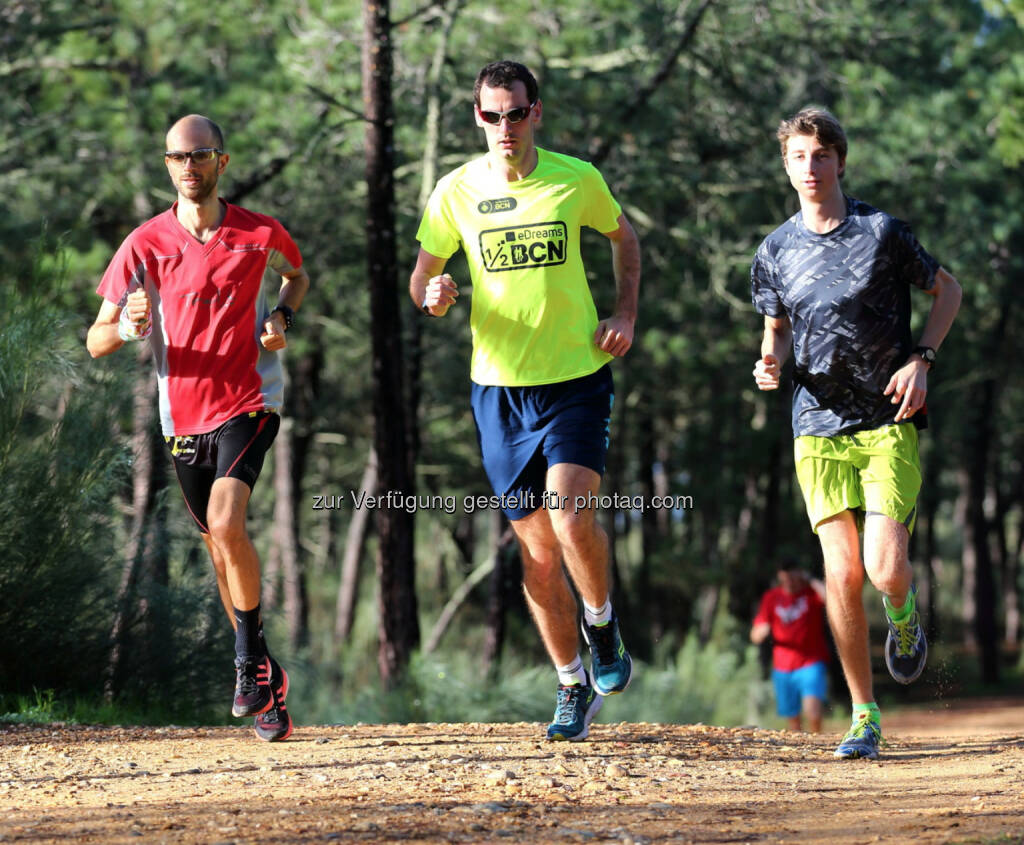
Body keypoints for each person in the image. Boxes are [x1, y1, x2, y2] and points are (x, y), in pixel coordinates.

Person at [409, 60, 641, 742]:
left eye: (515, 113)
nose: (504, 127)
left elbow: (624, 240)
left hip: (575, 378)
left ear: (536, 112)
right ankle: (571, 683)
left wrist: (625, 313)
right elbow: (423, 271)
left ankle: (603, 626)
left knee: (572, 518)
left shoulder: (576, 179)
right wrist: (433, 294)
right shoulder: (456, 191)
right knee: (537, 555)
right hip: (498, 391)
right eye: (491, 115)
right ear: (477, 118)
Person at [87, 114, 309, 742]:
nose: (190, 166)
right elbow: (96, 339)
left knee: (226, 521)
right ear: (167, 166)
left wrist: (282, 319)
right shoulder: (144, 243)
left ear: (222, 162)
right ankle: (265, 673)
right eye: (178, 158)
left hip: (251, 400)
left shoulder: (259, 232)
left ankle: (244, 664)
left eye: (201, 155)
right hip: (181, 415)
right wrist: (130, 327)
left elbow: (297, 276)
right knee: (218, 547)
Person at [750, 108, 962, 759]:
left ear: (840, 160)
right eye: (797, 157)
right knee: (839, 575)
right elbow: (778, 326)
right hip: (815, 427)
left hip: (886, 419)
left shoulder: (881, 232)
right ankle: (864, 715)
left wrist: (921, 358)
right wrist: (769, 362)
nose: (809, 168)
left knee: (883, 568)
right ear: (785, 165)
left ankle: (903, 614)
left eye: (820, 155)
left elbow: (946, 290)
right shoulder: (774, 250)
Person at [751, 567, 829, 733]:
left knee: (813, 711)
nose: (791, 583)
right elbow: (755, 634)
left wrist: (811, 579)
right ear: (780, 576)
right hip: (783, 667)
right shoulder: (771, 598)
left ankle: (819, 743)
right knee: (793, 719)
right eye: (787, 578)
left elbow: (831, 599)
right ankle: (800, 752)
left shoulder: (810, 594)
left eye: (794, 578)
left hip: (811, 662)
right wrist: (761, 632)